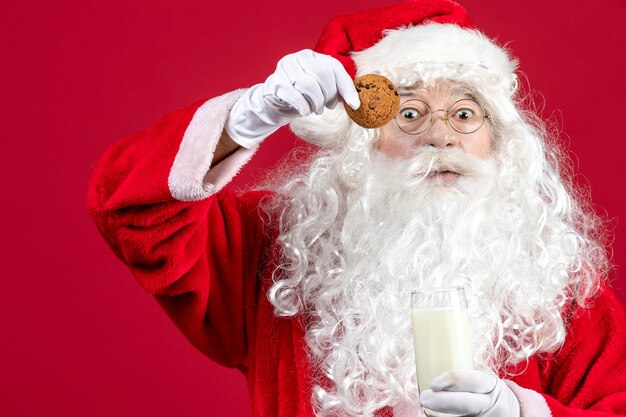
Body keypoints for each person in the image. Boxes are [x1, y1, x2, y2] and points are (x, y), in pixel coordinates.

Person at [87, 0, 626, 416]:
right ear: (359, 144)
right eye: (409, 114)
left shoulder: (553, 273)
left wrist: (520, 412)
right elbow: (132, 213)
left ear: (498, 139)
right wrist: (244, 119)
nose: (441, 135)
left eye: (465, 113)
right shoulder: (280, 254)